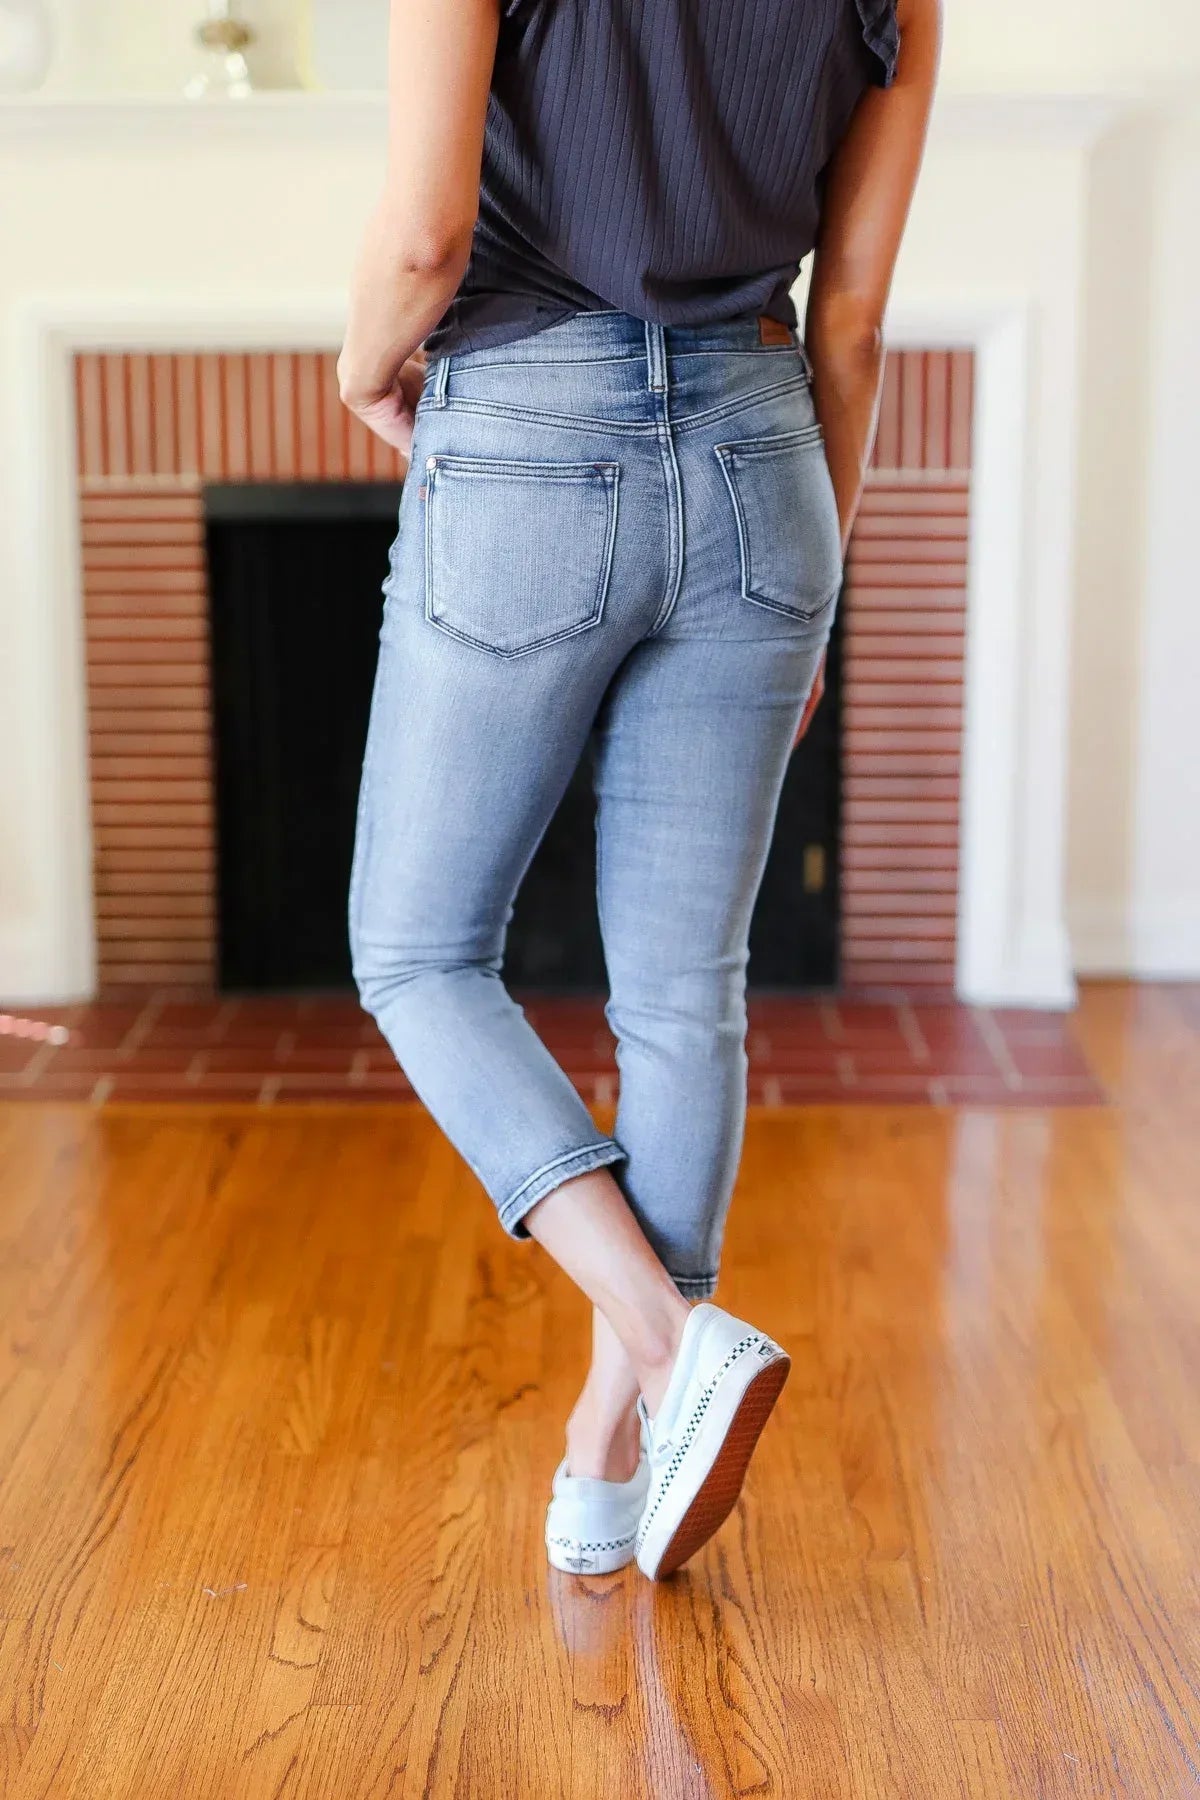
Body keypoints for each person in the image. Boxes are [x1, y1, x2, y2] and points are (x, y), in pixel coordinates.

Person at [339, 0, 940, 1580]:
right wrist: (816, 583)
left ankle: (669, 1358)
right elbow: (854, 317)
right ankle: (610, 1465)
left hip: (528, 436)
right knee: (685, 996)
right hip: (768, 461)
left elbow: (427, 235)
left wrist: (359, 367)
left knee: (418, 953)